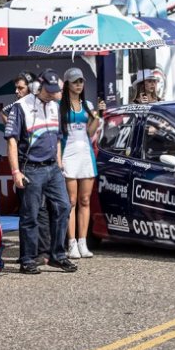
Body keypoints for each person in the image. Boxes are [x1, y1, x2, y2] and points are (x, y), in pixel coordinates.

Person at [4, 68, 76, 275]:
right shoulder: (20, 107)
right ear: (38, 87)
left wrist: (60, 164)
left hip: (52, 168)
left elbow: (59, 137)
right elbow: (11, 141)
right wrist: (16, 171)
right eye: (51, 90)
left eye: (56, 90)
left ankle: (58, 255)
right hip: (31, 168)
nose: (54, 93)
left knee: (63, 206)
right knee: (30, 216)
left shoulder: (55, 106)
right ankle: (27, 259)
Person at [59, 67, 105, 259]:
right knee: (71, 202)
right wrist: (58, 158)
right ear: (67, 84)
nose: (79, 85)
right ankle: (70, 244)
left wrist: (98, 116)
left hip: (85, 154)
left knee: (85, 200)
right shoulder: (60, 106)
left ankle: (82, 242)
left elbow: (91, 132)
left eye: (81, 81)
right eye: (75, 81)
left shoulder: (87, 104)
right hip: (68, 154)